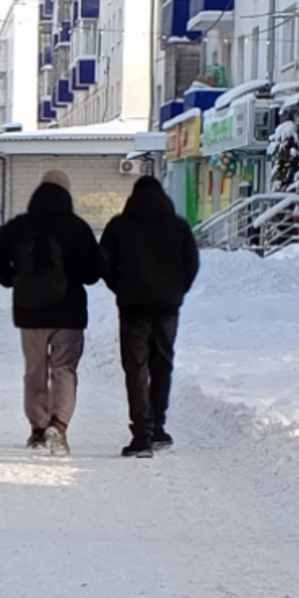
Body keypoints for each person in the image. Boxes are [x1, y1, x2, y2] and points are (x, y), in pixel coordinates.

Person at [0, 169, 101, 457]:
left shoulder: (20, 226)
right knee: (64, 369)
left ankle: (37, 428)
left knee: (35, 371)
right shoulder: (77, 228)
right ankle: (58, 425)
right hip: (68, 312)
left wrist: (13, 280)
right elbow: (93, 272)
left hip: (29, 312)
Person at [98, 174, 200, 458]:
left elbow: (104, 263)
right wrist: (176, 290)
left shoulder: (119, 225)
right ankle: (159, 428)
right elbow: (191, 263)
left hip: (133, 308)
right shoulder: (178, 226)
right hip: (167, 308)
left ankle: (141, 434)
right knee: (162, 365)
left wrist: (122, 287)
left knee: (136, 369)